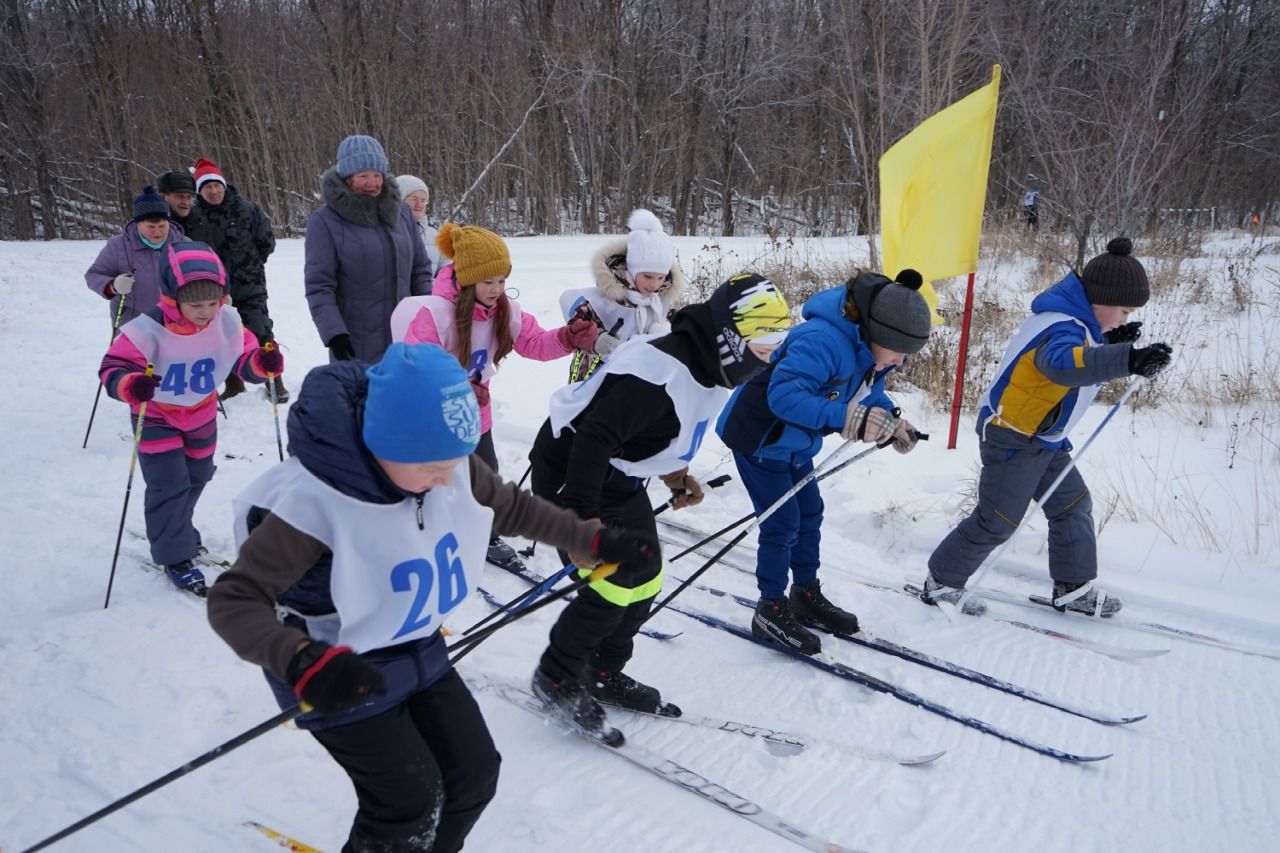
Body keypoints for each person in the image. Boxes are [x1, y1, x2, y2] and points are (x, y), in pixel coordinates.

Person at [206, 342, 656, 853]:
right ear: (381, 442)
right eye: (431, 468)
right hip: (336, 670)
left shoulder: (442, 462)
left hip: (418, 649)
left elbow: (510, 507)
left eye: (454, 462)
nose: (447, 479)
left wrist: (593, 541)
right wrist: (301, 662)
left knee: (475, 776)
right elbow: (234, 600)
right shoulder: (310, 504)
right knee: (406, 804)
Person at [528, 273, 792, 737]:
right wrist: (580, 524)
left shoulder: (705, 364)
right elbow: (593, 437)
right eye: (763, 352)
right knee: (611, 583)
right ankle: (557, 675)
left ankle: (602, 671)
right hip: (575, 472)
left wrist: (673, 472)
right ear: (731, 339)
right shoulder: (656, 372)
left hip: (620, 476)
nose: (764, 365)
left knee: (647, 577)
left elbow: (656, 428)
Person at [919, 237, 1173, 617]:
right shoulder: (1060, 327)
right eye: (1122, 310)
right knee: (998, 521)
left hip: (1044, 438)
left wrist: (1106, 341)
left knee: (1072, 505)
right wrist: (1126, 359)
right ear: (1098, 300)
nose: (1124, 318)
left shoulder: (1077, 322)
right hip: (1013, 436)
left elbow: (1081, 352)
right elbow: (1063, 364)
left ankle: (1072, 588)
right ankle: (942, 580)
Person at [716, 270, 931, 654]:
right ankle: (770, 606)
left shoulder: (867, 350)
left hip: (796, 442)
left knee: (810, 513)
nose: (899, 361)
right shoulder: (822, 341)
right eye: (898, 350)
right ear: (877, 332)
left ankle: (804, 594)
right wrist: (848, 418)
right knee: (782, 523)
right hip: (760, 439)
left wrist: (892, 422)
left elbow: (865, 393)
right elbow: (783, 398)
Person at [391, 222, 599, 568]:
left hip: (476, 415)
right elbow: (415, 367)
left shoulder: (504, 310)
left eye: (502, 280)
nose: (497, 289)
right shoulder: (433, 314)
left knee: (485, 474)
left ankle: (484, 536)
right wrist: (456, 389)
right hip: (429, 419)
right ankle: (416, 533)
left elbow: (533, 343)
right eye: (489, 281)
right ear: (467, 277)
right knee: (428, 478)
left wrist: (568, 337)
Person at [99, 241, 282, 596]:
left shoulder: (225, 321)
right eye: (195, 304)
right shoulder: (147, 328)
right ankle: (175, 554)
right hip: (155, 417)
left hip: (200, 413)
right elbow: (112, 367)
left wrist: (263, 364)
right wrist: (131, 384)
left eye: (213, 302)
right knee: (169, 483)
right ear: (172, 297)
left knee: (198, 475)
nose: (205, 311)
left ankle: (178, 526)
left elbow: (244, 358)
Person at [305, 135, 433, 364]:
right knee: (363, 398)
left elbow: (420, 269)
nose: (372, 183)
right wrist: (334, 333)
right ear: (347, 178)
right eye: (363, 176)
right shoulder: (325, 221)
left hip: (407, 337)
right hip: (356, 342)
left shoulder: (401, 213)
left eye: (377, 175)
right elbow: (319, 286)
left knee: (405, 398)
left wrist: (428, 314)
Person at [190, 157, 284, 402]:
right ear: (200, 190)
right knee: (222, 335)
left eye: (216, 185)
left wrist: (250, 266)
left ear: (223, 184)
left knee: (261, 329)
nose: (213, 191)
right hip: (213, 289)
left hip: (249, 285)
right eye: (206, 187)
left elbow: (266, 242)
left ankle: (275, 381)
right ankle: (234, 384)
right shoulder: (194, 216)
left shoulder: (247, 209)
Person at [558, 208, 687, 382]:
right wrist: (596, 339)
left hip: (635, 376)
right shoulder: (609, 298)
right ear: (632, 270)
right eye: (647, 276)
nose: (654, 284)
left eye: (661, 277)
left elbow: (672, 321)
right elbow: (573, 312)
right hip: (594, 373)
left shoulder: (659, 301)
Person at [84, 186, 186, 328]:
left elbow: (205, 276)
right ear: (138, 224)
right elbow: (94, 275)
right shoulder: (119, 246)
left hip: (178, 322)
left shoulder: (184, 244)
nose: (157, 232)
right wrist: (113, 286)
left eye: (162, 226)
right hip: (134, 323)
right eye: (150, 226)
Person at [396, 173, 442, 272]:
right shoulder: (385, 232)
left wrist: (432, 286)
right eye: (414, 199)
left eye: (423, 200)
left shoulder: (435, 236)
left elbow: (446, 274)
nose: (419, 205)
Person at [157, 170, 206, 240]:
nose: (185, 202)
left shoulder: (199, 223)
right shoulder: (154, 225)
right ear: (163, 196)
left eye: (189, 197)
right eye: (180, 196)